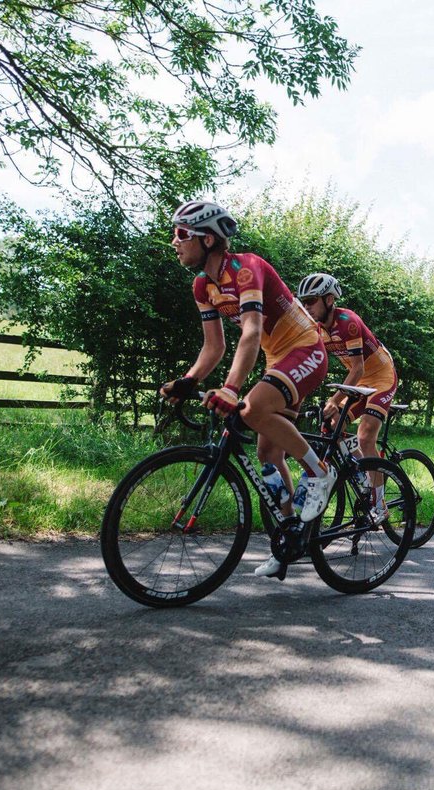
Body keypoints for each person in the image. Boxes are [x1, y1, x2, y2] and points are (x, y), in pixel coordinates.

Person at [158, 200, 334, 578]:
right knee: (268, 455)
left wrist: (232, 388)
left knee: (253, 408)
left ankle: (321, 471)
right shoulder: (203, 285)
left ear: (207, 239)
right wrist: (190, 380)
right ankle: (289, 539)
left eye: (181, 234)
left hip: (306, 349)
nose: (174, 241)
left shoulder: (246, 268)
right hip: (278, 359)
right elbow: (214, 347)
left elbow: (251, 331)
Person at [297, 272, 399, 522]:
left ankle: (380, 504)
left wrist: (335, 399)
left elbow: (358, 368)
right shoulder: (317, 329)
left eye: (311, 301)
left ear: (329, 299)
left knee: (365, 437)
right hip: (362, 383)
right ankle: (362, 470)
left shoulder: (347, 322)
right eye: (304, 302)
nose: (307, 306)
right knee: (333, 425)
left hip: (382, 377)